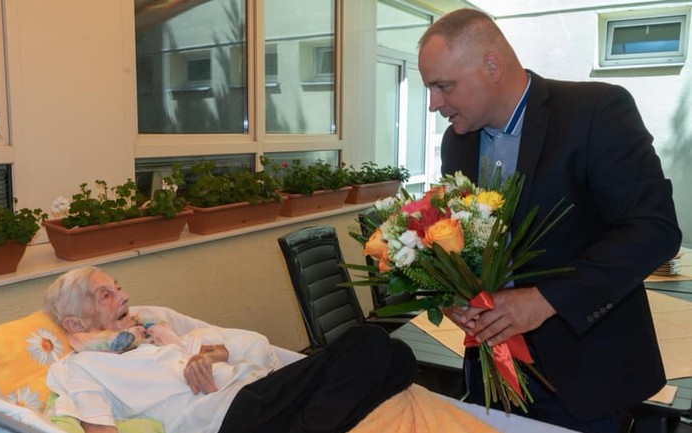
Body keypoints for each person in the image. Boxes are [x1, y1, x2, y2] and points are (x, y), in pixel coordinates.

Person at [417, 8, 681, 433]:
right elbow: (463, 239)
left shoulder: (595, 111)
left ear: (492, 66)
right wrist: (454, 293)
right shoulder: (456, 142)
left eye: (443, 86)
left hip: (581, 378)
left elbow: (654, 229)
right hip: (489, 370)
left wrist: (544, 300)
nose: (434, 104)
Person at [43, 266, 417, 433]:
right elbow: (98, 428)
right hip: (227, 416)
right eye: (106, 295)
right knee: (368, 341)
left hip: (254, 390)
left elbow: (225, 348)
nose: (123, 297)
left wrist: (207, 357)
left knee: (399, 358)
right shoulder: (80, 366)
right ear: (75, 324)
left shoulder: (152, 330)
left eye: (118, 287)